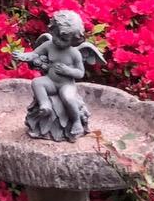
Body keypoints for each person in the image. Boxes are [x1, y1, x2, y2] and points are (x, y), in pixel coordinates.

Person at [18, 9, 103, 142]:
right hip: (51, 82)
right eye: (55, 35)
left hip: (66, 84)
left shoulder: (74, 53)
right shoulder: (48, 45)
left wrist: (67, 71)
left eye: (63, 39)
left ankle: (76, 122)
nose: (57, 40)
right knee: (37, 82)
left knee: (68, 97)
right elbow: (35, 54)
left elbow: (80, 73)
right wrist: (24, 56)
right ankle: (45, 104)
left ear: (74, 40)